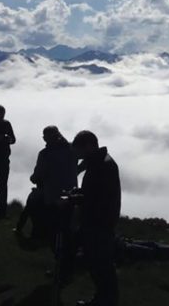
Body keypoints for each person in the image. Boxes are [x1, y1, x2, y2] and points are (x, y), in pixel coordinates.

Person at [68, 130, 121, 306]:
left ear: (89, 146)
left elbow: (100, 198)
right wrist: (79, 193)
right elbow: (95, 192)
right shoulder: (100, 162)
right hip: (100, 220)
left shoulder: (102, 165)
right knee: (99, 263)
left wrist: (76, 199)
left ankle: (106, 300)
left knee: (101, 264)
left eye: (79, 150)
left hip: (99, 222)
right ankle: (104, 298)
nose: (77, 155)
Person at [16, 126, 77, 238]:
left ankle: (22, 229)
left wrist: (32, 178)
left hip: (52, 194)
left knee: (31, 199)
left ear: (45, 138)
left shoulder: (45, 154)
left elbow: (38, 175)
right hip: (72, 192)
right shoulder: (72, 149)